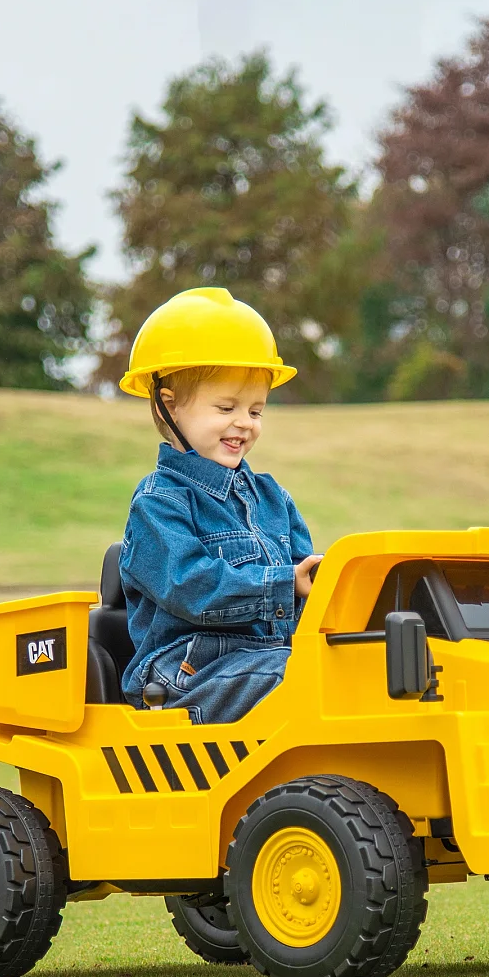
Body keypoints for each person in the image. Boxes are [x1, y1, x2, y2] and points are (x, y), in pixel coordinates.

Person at [116, 287, 323, 725]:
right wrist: (283, 584)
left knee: (353, 668)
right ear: (168, 406)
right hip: (186, 674)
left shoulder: (273, 498)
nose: (244, 423)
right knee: (305, 677)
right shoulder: (159, 502)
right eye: (226, 407)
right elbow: (189, 586)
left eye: (256, 411)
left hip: (268, 659)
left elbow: (309, 586)